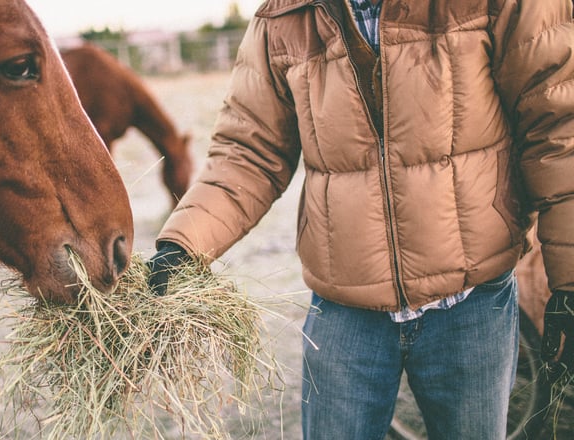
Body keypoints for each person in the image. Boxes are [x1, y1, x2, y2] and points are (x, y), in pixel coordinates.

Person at [148, 0, 574, 438]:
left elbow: (558, 126)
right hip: (345, 314)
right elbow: (249, 152)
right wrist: (182, 245)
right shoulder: (282, 18)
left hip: (471, 302)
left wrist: (569, 282)